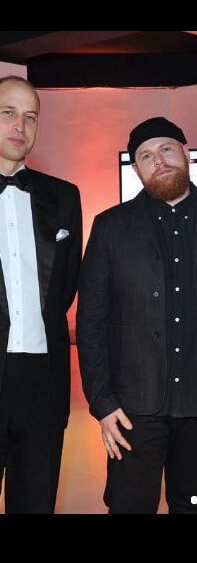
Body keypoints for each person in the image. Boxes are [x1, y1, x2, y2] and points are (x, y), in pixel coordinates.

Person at [76, 117, 197, 514]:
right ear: (136, 169)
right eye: (146, 156)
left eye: (166, 149)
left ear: (186, 154)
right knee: (129, 506)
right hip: (131, 408)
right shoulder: (110, 228)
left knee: (193, 504)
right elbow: (91, 322)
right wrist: (103, 402)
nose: (158, 161)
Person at [0, 75, 82, 513]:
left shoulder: (65, 197)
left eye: (30, 116)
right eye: (8, 112)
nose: (20, 126)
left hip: (43, 382)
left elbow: (66, 287)